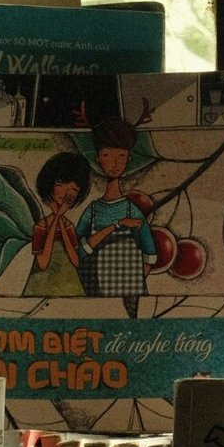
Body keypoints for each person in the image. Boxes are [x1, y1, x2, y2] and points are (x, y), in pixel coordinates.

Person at [75, 118, 156, 311]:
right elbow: (76, 247)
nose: (114, 163)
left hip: (130, 283)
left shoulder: (131, 209)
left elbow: (147, 243)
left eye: (121, 155)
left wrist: (143, 269)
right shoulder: (93, 210)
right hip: (96, 281)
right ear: (97, 159)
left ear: (129, 159)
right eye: (107, 155)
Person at [25, 150, 92, 298]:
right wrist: (56, 218)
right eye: (60, 185)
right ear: (50, 185)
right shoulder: (40, 227)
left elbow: (76, 262)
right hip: (40, 287)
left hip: (70, 285)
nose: (67, 193)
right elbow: (42, 263)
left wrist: (60, 219)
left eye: (74, 189)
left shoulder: (68, 226)